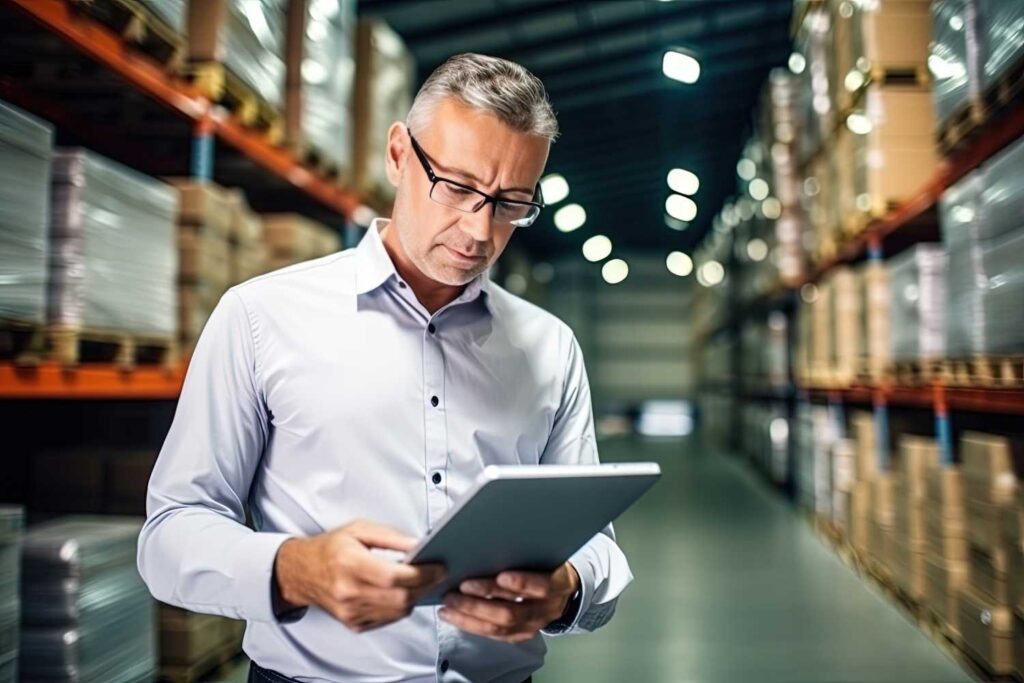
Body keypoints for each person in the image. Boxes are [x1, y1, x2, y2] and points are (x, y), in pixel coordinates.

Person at [138, 53, 633, 683]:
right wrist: (295, 569)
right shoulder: (261, 317)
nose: (479, 230)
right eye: (457, 187)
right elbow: (170, 535)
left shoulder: (549, 348)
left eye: (511, 204)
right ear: (399, 154)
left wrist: (566, 590)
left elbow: (596, 546)